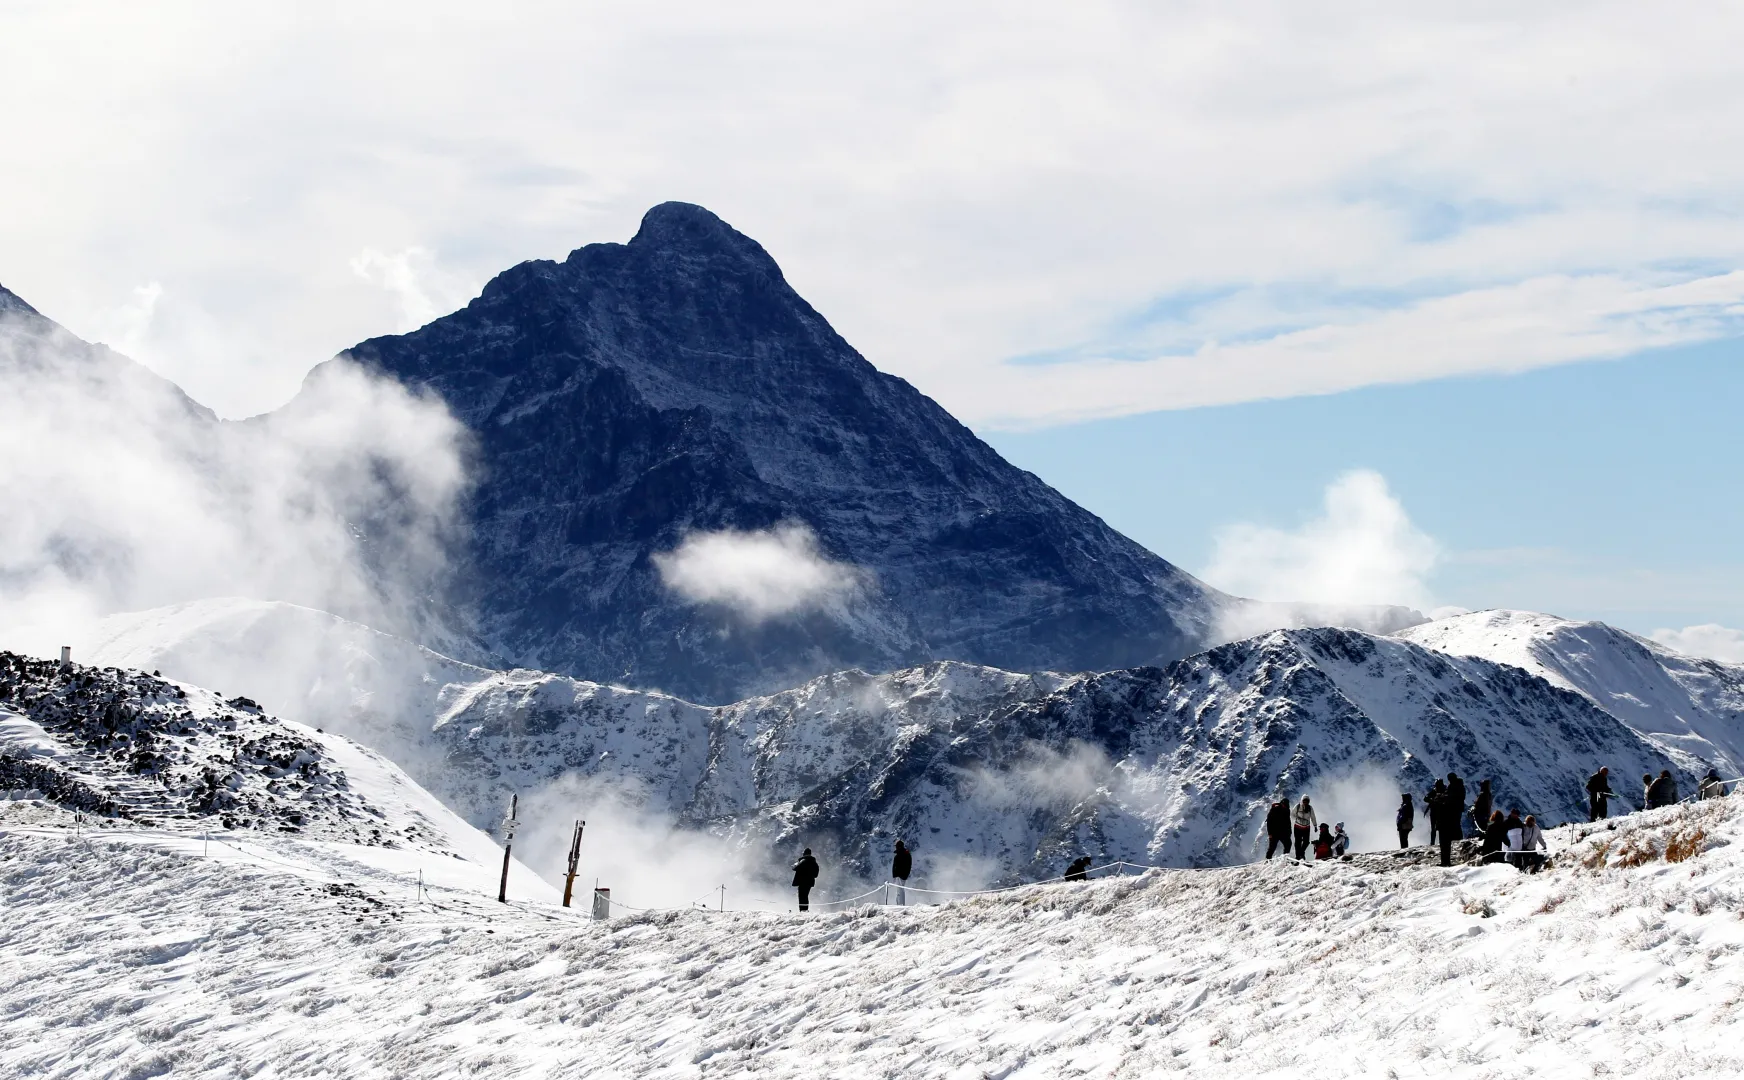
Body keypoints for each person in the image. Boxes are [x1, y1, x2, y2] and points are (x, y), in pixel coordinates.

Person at [1429, 784, 1458, 867]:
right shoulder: (1450, 799)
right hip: (1448, 824)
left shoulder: (1439, 800)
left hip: (1442, 824)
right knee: (1447, 844)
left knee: (1443, 844)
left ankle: (1444, 861)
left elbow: (1436, 811)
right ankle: (1447, 861)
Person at [1292, 796, 1318, 861]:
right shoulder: (1297, 806)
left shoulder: (1310, 808)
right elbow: (1292, 814)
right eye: (1304, 801)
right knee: (1298, 842)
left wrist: (1315, 825)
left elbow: (1313, 817)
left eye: (1307, 801)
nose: (1305, 802)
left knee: (1306, 842)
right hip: (1297, 827)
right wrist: (1297, 819)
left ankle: (1301, 852)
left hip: (1306, 828)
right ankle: (1298, 856)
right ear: (1302, 800)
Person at [1446, 773, 1468, 838]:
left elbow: (1457, 796)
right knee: (1456, 823)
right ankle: (1457, 837)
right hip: (1457, 807)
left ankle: (1457, 837)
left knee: (1455, 823)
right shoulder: (1460, 785)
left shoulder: (1454, 786)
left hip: (1454, 807)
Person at [891, 840, 912, 905]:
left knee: (900, 890)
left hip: (899, 875)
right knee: (900, 890)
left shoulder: (898, 856)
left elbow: (895, 866)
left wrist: (895, 875)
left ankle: (900, 904)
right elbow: (909, 865)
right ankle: (900, 904)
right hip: (904, 875)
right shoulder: (907, 854)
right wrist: (906, 874)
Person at [1426, 780, 1446, 846]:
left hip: (1438, 811)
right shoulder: (1443, 791)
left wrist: (1432, 800)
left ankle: (1433, 842)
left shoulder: (1437, 791)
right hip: (1439, 812)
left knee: (1437, 828)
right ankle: (1439, 841)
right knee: (1439, 828)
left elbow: (1426, 798)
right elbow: (1426, 798)